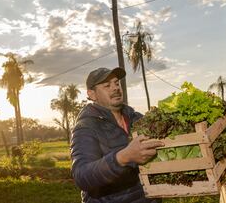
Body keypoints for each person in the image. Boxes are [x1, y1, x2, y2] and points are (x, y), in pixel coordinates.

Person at [70, 67, 164, 203]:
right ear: (92, 94)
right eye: (107, 85)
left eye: (117, 83)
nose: (115, 88)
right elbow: (82, 176)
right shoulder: (85, 127)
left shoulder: (136, 118)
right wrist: (123, 157)